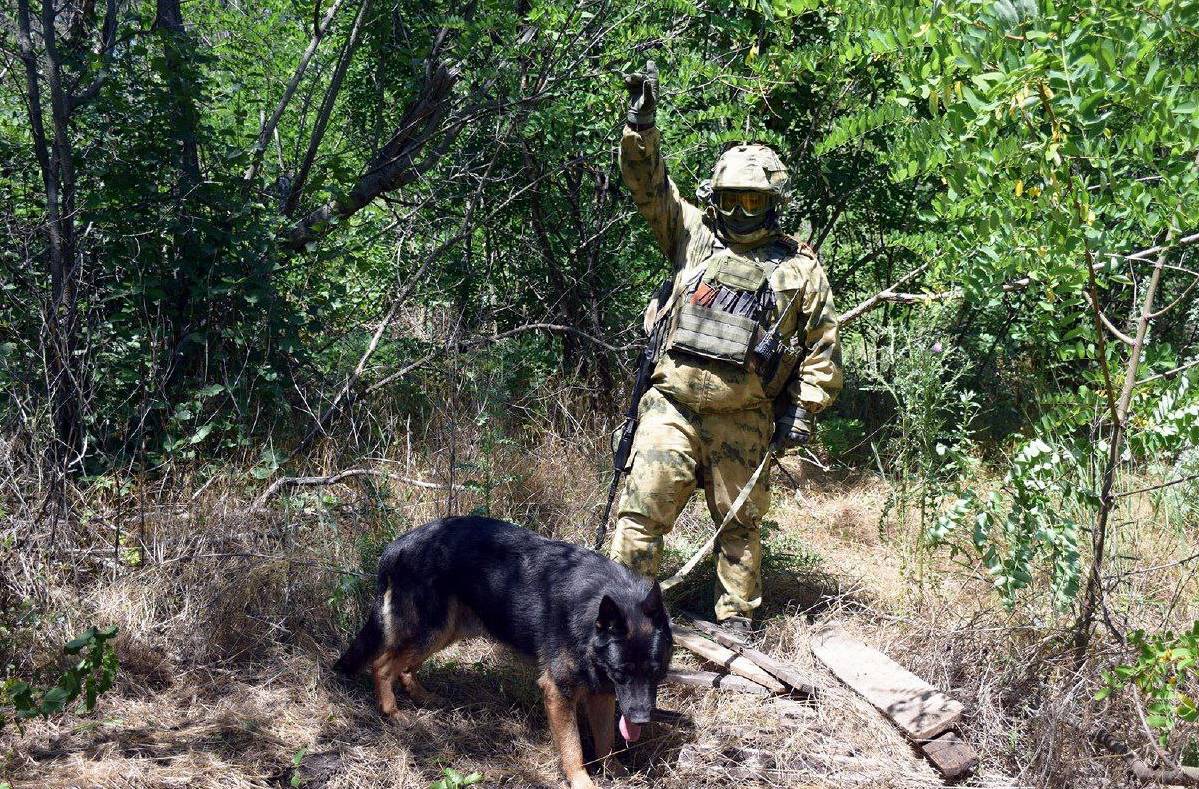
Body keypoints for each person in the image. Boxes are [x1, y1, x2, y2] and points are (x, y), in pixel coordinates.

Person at [609, 61, 843, 635]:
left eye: (753, 203)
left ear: (773, 204)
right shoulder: (692, 236)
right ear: (716, 198)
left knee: (739, 528)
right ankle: (623, 621)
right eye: (731, 201)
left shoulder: (799, 268)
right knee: (638, 518)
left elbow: (823, 349)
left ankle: (735, 622)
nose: (741, 213)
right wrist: (640, 126)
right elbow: (648, 185)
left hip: (745, 417)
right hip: (673, 408)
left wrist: (803, 411)